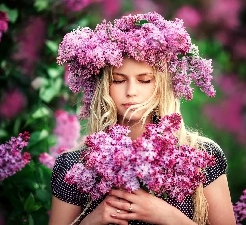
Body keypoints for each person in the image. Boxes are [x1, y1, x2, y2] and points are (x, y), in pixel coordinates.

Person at [49, 12, 236, 225]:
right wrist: (90, 221)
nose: (131, 92)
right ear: (104, 87)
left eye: (144, 80)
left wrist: (169, 216)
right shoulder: (76, 166)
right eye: (119, 81)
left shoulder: (200, 157)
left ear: (162, 85)